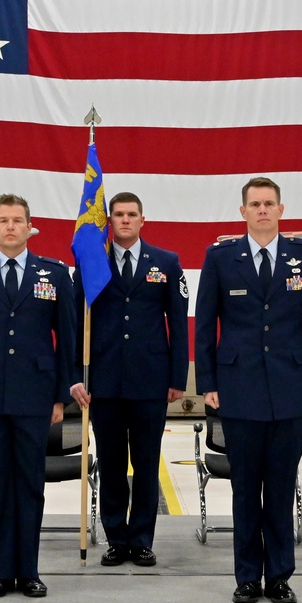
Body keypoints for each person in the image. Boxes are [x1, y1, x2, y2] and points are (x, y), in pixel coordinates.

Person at [194, 177, 302, 603]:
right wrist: (209, 382)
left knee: (282, 485)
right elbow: (204, 326)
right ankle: (248, 577)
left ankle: (280, 577)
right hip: (239, 390)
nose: (263, 210)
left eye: (269, 203)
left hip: (291, 389)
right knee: (245, 489)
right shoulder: (220, 258)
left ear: (281, 209)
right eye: (255, 204)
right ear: (243, 212)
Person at [0, 193, 75, 599]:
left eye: (17, 220)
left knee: (30, 485)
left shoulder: (54, 274)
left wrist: (60, 398)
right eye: (3, 220)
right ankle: (1, 572)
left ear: (29, 226)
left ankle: (30, 572)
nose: (10, 227)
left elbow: (67, 342)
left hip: (35, 396)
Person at [70, 191, 189, 567]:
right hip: (103, 383)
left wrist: (177, 377)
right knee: (111, 464)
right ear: (109, 220)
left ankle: (141, 540)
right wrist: (77, 375)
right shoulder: (92, 262)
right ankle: (116, 539)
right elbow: (75, 323)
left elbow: (179, 324)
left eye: (131, 214)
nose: (124, 220)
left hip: (150, 381)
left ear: (142, 220)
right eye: (118, 214)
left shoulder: (166, 263)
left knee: (146, 462)